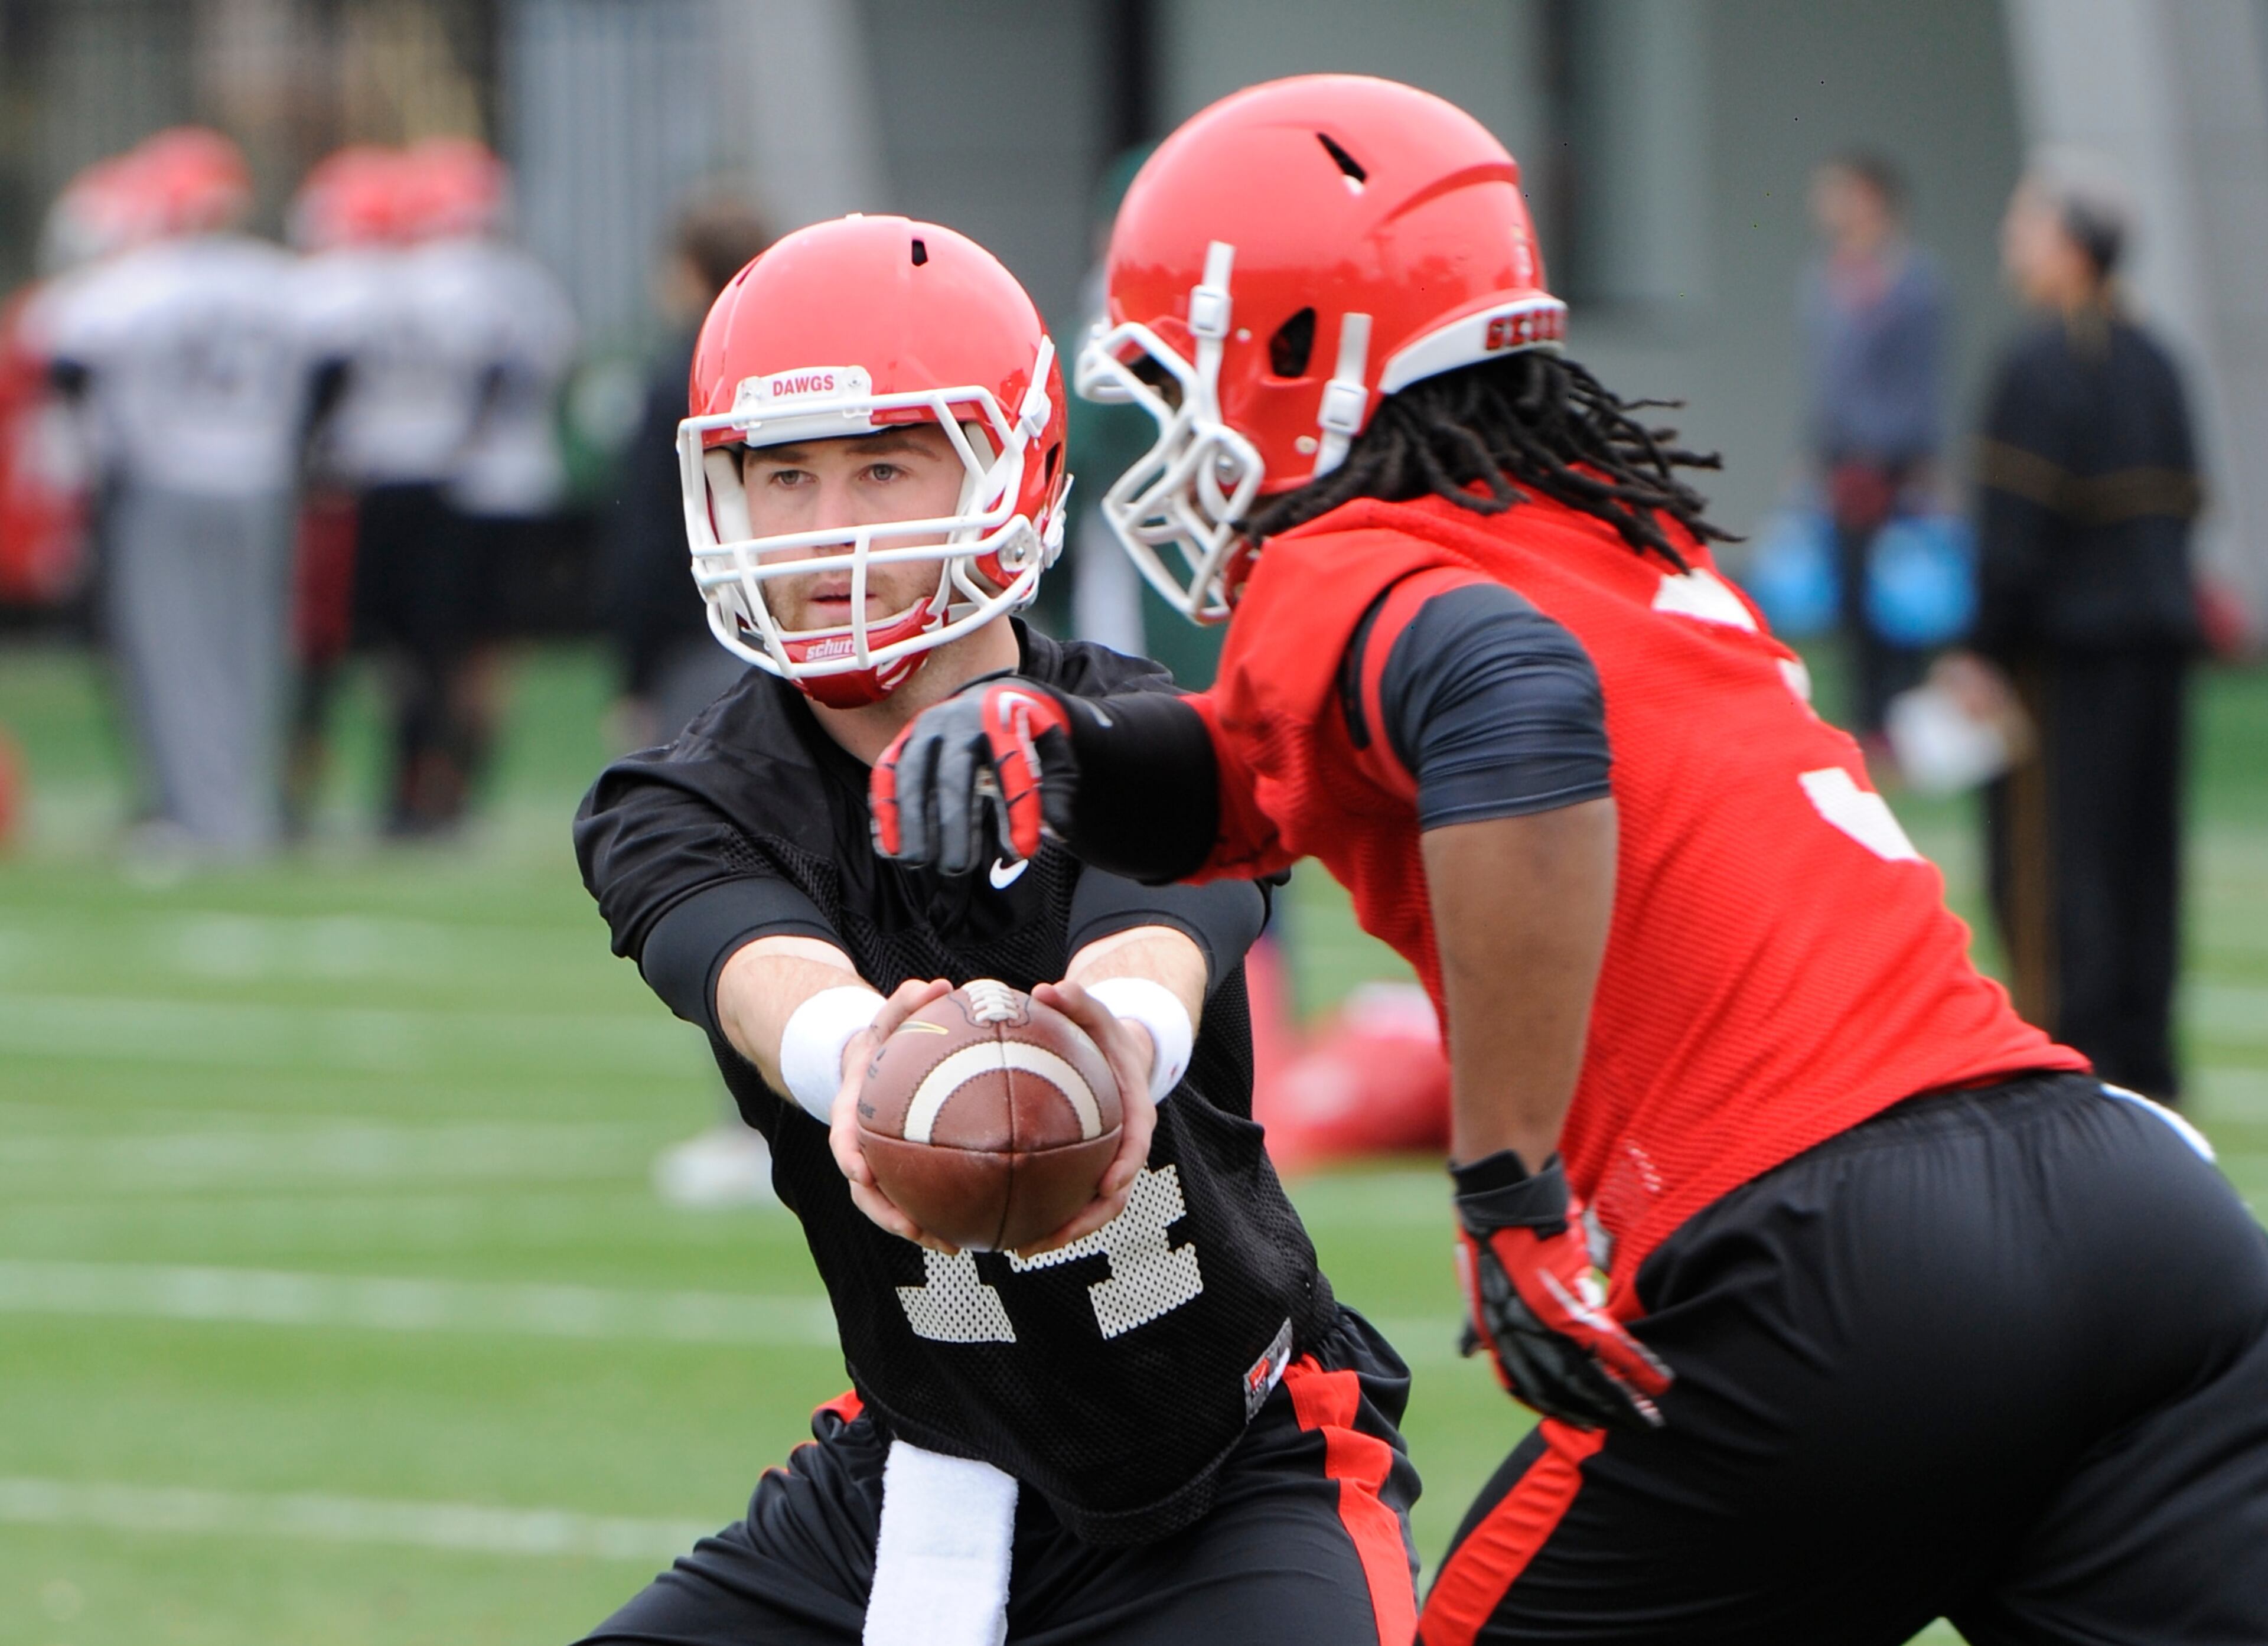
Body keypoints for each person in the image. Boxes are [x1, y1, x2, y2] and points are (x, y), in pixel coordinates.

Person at [874, 76, 2268, 1645]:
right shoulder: (1610, 535)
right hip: (2127, 1205)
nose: (1171, 424)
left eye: (1178, 372)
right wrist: (1067, 748)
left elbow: (1509, 707)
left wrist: (1509, 1184)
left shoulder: (1349, 561)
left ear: (1294, 353)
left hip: (1836, 1256)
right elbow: (1267, 774)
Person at [572, 214, 1419, 1646]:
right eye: (783, 476)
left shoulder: (1141, 733)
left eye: (883, 465)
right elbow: (758, 970)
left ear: (1014, 468)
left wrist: (1107, 1054)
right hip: (916, 1471)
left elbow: (1158, 934)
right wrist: (868, 1068)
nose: (829, 522)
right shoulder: (678, 795)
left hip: (1231, 1463)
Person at [1942, 150, 2202, 1104]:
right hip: (2156, 645)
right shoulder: (2157, 358)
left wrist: (1981, 647)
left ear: (2068, 249)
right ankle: (2147, 1063)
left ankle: (2071, 1062)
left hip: (2062, 657)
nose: (2014, 243)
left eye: (2025, 225)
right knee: (2143, 858)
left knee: (2051, 866)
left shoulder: (2040, 359)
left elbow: (2015, 533)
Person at [32, 128, 315, 859]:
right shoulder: (280, 279)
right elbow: (331, 372)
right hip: (260, 480)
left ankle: (197, 814)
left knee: (172, 653)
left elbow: (64, 361)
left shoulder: (130, 283)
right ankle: (245, 809)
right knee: (252, 650)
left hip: (163, 481)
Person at [604, 191, 774, 1208]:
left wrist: (629, 668)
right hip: (792, 644)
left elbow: (643, 542)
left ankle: (755, 1122)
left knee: (725, 879)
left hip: (706, 646)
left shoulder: (686, 371)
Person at [1801, 151, 1947, 737]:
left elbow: (1924, 380)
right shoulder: (1823, 280)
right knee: (1852, 597)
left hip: (1896, 468)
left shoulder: (1916, 282)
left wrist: (1918, 464)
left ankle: (1906, 721)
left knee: (1903, 601)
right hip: (1841, 467)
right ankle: (1867, 722)